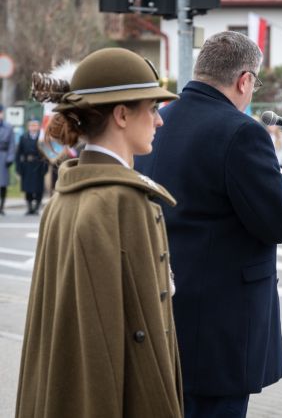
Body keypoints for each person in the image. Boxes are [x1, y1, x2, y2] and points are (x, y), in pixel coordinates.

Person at [134, 31, 282, 418]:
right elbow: (276, 222)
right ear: (244, 80)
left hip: (163, 303)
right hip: (220, 325)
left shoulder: (159, 119)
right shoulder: (242, 131)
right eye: (254, 83)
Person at [16, 48, 182, 417]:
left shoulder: (65, 194)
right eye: (152, 108)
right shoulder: (125, 203)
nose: (160, 121)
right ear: (122, 115)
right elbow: (144, 340)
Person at [15, 118, 48, 215]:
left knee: (39, 188)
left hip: (39, 165)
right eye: (31, 125)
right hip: (27, 165)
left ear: (38, 127)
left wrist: (45, 167)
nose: (33, 127)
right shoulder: (23, 137)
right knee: (28, 188)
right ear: (28, 127)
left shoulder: (42, 138)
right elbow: (18, 153)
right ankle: (30, 207)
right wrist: (19, 167)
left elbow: (46, 153)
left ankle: (37, 207)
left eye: (35, 125)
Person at [0, 104, 15, 215]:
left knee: (3, 183)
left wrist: (10, 158)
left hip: (3, 156)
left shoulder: (8, 127)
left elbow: (11, 144)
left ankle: (2, 206)